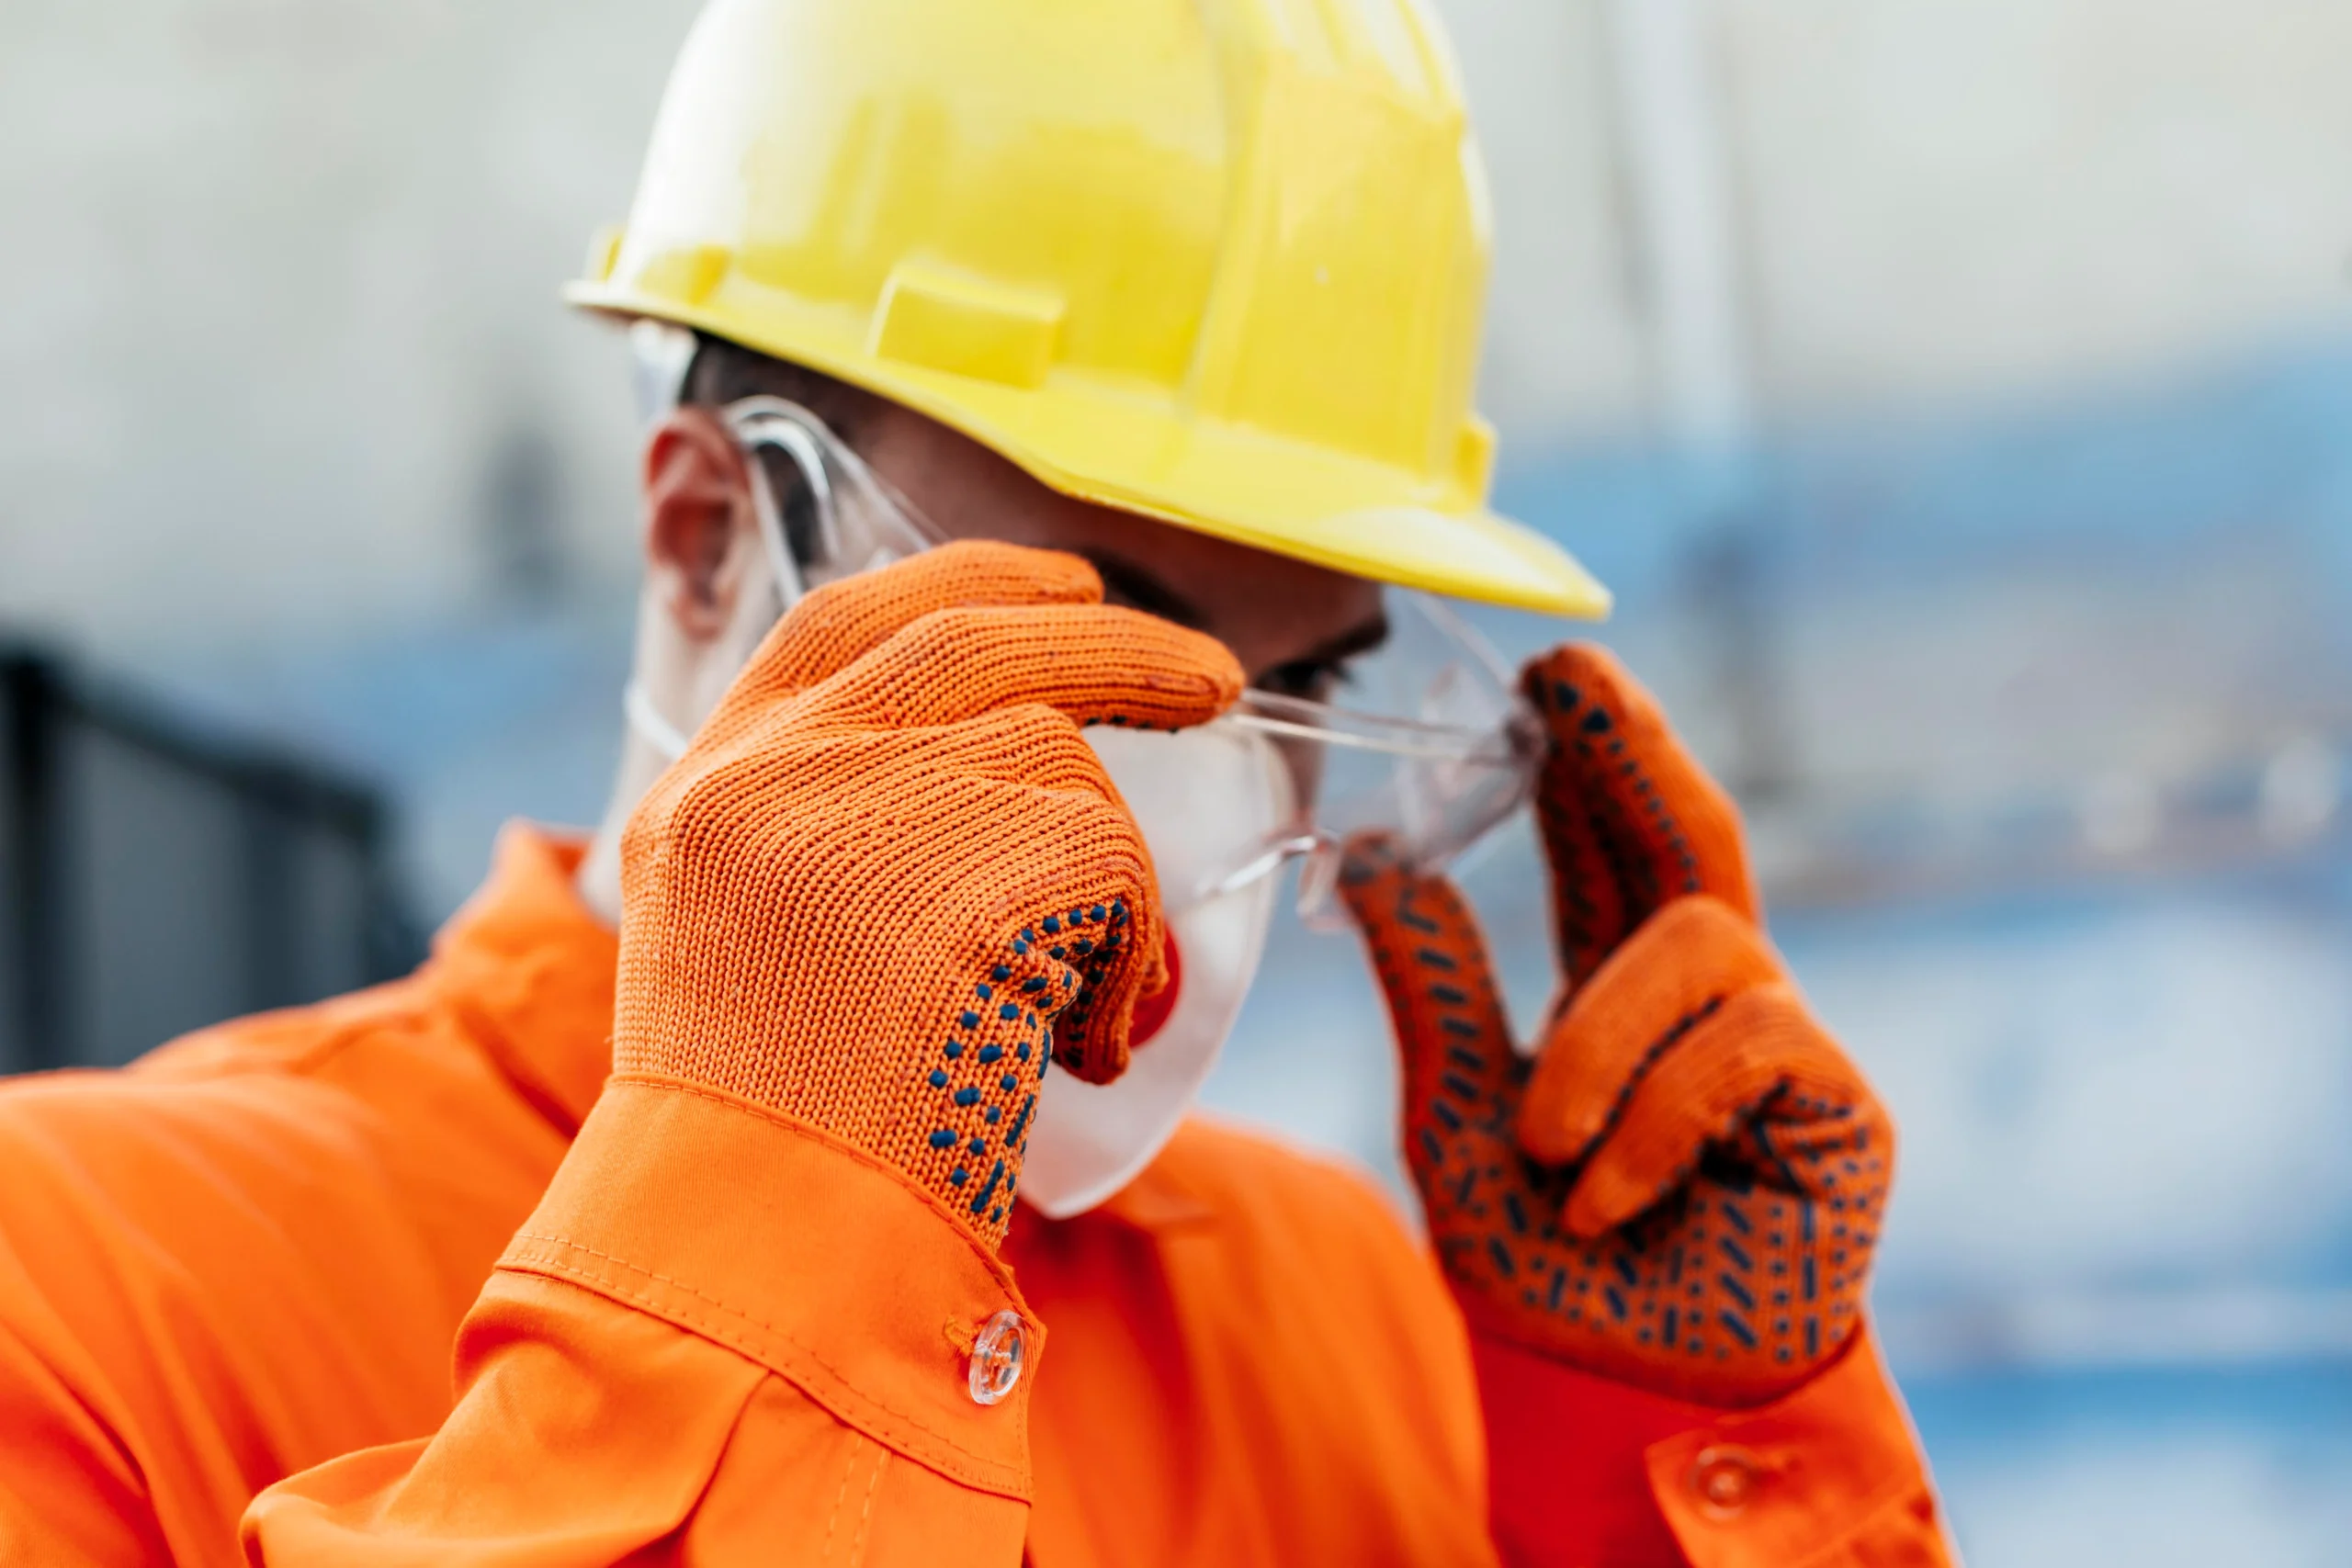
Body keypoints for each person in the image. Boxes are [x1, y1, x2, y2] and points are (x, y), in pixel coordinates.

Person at [0, 2, 1953, 1563]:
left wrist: (1682, 1476)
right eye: (1093, 633)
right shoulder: (83, 1290)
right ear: (700, 540)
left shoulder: (1350, 1318)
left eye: (1300, 692)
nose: (1207, 806)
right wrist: (752, 1286)